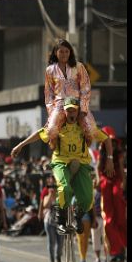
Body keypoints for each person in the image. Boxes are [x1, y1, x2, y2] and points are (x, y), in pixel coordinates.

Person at [11, 97, 114, 235]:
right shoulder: (57, 126)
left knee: (87, 198)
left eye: (74, 110)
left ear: (78, 112)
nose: (71, 113)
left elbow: (106, 139)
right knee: (65, 188)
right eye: (68, 110)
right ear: (64, 112)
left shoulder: (85, 126)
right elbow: (39, 133)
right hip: (61, 162)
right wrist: (20, 145)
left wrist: (110, 159)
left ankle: (77, 216)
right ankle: (60, 221)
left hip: (81, 161)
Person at [44, 39, 98, 148]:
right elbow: (49, 93)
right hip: (59, 104)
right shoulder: (50, 70)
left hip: (76, 103)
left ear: (70, 52)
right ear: (56, 52)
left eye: (66, 51)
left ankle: (84, 154)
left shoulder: (79, 67)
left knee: (91, 130)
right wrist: (51, 111)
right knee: (51, 131)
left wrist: (83, 108)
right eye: (61, 51)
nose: (64, 54)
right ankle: (56, 156)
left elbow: (85, 87)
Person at [97, 125, 127, 262]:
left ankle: (122, 246)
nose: (111, 144)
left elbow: (121, 168)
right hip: (105, 182)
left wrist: (123, 184)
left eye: (112, 141)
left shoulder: (119, 152)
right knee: (108, 219)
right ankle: (114, 249)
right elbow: (98, 168)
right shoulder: (101, 150)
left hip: (116, 181)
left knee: (120, 218)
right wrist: (98, 181)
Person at [39, 180, 62, 262]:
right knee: (51, 241)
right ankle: (52, 259)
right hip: (49, 222)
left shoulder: (60, 197)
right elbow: (46, 205)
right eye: (50, 188)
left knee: (60, 242)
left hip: (59, 222)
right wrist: (50, 195)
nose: (52, 189)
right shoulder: (47, 197)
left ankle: (58, 257)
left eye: (54, 187)